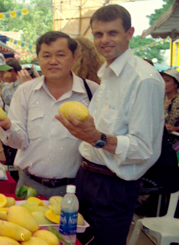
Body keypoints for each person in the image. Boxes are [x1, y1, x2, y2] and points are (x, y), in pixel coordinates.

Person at [55, 5, 164, 245]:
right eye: (98, 34)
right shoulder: (107, 72)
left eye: (112, 33)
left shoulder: (144, 79)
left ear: (129, 33)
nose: (105, 40)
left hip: (113, 186)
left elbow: (143, 147)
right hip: (85, 177)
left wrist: (97, 137)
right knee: (76, 240)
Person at [0, 32, 99, 199]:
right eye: (46, 55)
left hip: (74, 190)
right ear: (38, 59)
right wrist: (7, 125)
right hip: (29, 186)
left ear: (74, 56)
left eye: (60, 55)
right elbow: (19, 141)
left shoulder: (92, 92)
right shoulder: (26, 91)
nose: (53, 61)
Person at [162, 68, 179, 133]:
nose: (164, 84)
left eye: (167, 81)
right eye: (162, 81)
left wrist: (176, 128)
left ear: (176, 84)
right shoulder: (160, 98)